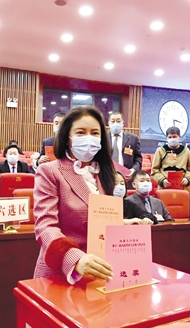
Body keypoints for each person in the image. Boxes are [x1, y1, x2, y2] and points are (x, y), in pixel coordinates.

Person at [33, 106, 117, 282]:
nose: (89, 138)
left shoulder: (104, 173)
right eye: (81, 132)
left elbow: (103, 218)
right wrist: (74, 259)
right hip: (62, 271)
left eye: (95, 133)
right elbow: (45, 227)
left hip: (100, 269)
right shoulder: (49, 171)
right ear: (67, 138)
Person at [151, 126, 190, 191]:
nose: (172, 139)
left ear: (179, 137)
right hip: (164, 188)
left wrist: (187, 178)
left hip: (183, 187)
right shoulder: (160, 150)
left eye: (174, 137)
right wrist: (162, 180)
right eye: (170, 137)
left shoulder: (186, 151)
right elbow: (154, 170)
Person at [108, 111, 142, 181]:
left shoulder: (133, 138)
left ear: (123, 123)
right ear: (109, 123)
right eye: (113, 121)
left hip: (127, 177)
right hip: (108, 176)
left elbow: (138, 158)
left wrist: (133, 169)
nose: (115, 123)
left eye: (118, 121)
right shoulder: (102, 138)